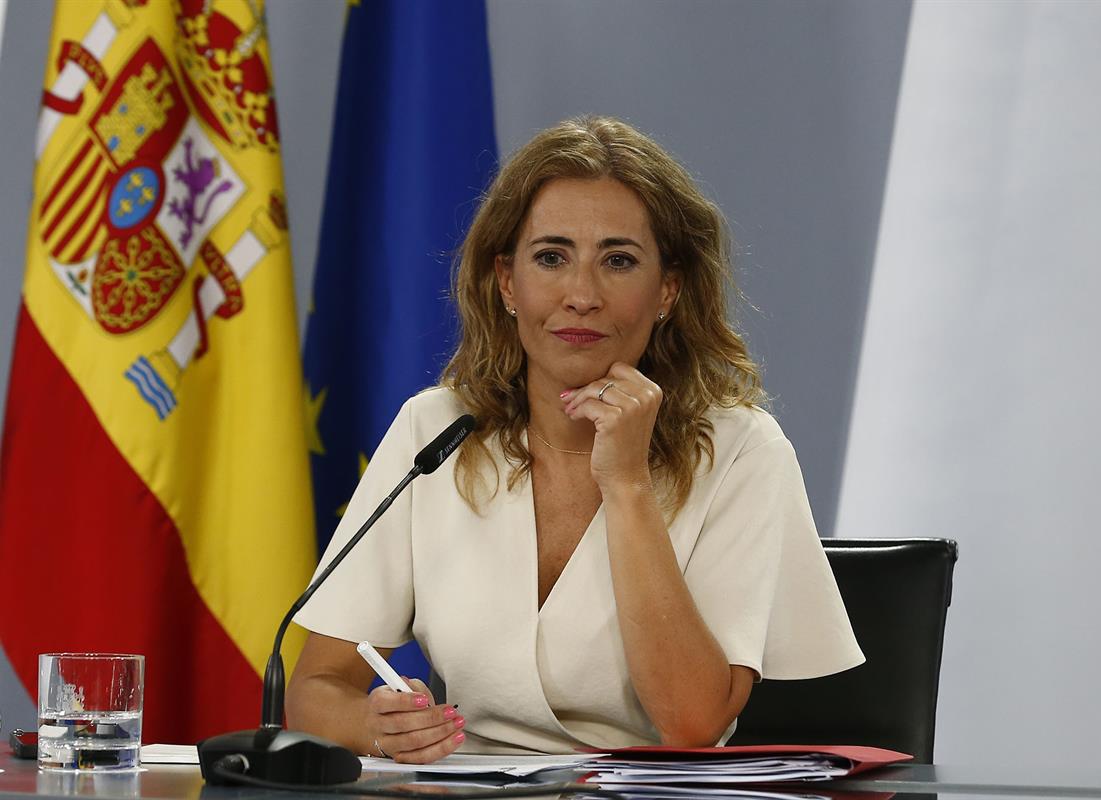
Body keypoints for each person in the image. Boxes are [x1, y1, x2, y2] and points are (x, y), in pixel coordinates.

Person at [286, 116, 863, 762]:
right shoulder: (437, 431)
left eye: (618, 261)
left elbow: (693, 723)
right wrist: (374, 725)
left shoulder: (742, 452)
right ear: (507, 282)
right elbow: (315, 687)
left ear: (667, 290)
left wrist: (627, 483)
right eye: (551, 257)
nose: (581, 295)